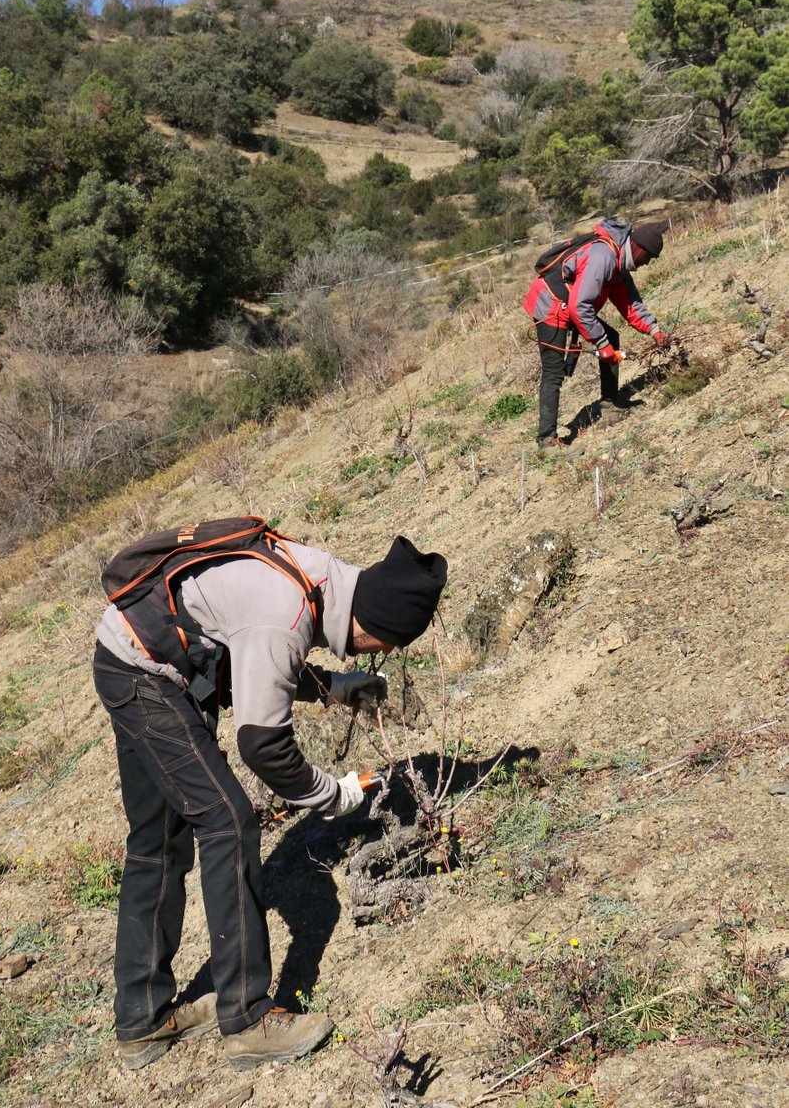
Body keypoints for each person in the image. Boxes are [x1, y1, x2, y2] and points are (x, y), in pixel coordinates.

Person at [92, 525, 447, 1071]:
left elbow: (248, 649)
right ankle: (247, 1019)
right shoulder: (288, 610)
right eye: (390, 644)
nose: (388, 653)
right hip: (145, 676)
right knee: (227, 822)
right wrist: (333, 796)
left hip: (126, 654)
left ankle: (142, 1018)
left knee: (157, 841)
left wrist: (332, 686)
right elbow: (263, 745)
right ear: (372, 626)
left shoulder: (319, 576)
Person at [523, 219, 671, 451]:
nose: (646, 263)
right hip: (551, 304)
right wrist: (601, 344)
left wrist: (655, 331)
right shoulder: (603, 257)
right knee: (553, 371)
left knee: (611, 338)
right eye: (648, 257)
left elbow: (630, 304)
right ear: (638, 249)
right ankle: (547, 440)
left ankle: (609, 405)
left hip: (571, 304)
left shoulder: (619, 265)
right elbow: (580, 307)